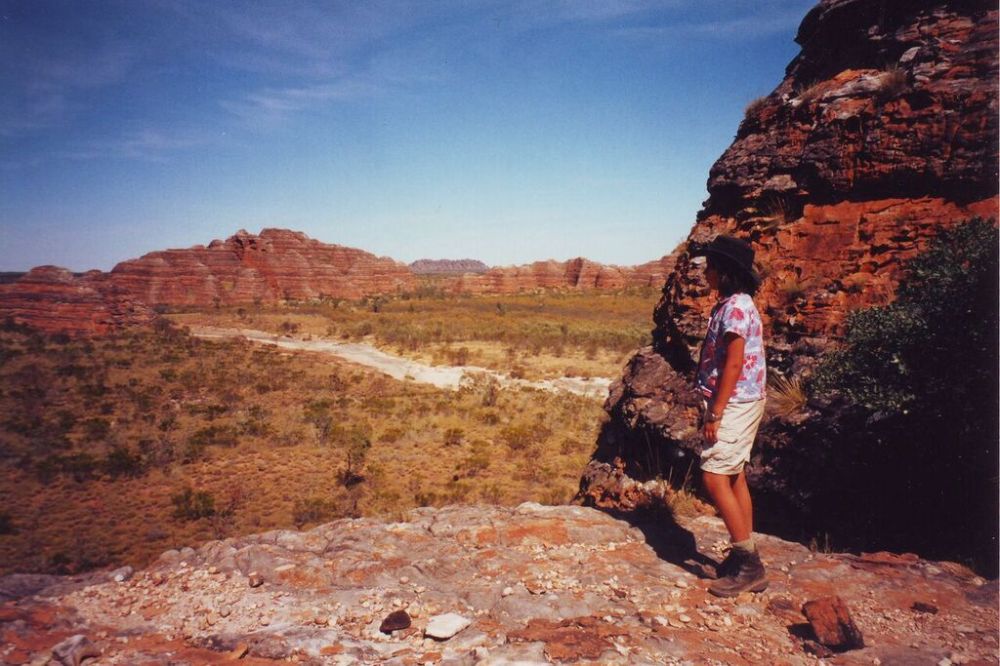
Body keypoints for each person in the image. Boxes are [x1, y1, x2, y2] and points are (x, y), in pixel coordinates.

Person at [689, 235, 768, 597]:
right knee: (734, 475)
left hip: (734, 402)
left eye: (711, 266)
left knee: (714, 476)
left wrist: (715, 413)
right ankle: (743, 556)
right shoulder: (734, 303)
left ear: (725, 271)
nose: (706, 271)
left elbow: (734, 363)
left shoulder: (736, 308)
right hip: (740, 400)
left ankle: (749, 564)